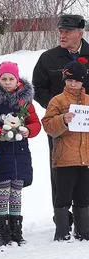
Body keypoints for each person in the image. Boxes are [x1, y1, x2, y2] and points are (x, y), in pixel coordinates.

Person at [32, 14, 89, 225]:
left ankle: (85, 218)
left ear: (80, 33)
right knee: (60, 170)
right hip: (60, 126)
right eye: (60, 31)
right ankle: (63, 217)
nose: (62, 35)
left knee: (86, 172)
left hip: (87, 128)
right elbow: (37, 88)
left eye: (67, 31)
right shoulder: (48, 58)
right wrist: (56, 107)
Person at [0, 62, 41, 246]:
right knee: (3, 189)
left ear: (17, 81)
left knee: (16, 190)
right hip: (1, 152)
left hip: (20, 153)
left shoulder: (25, 100)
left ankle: (16, 228)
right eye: (4, 79)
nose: (7, 82)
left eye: (11, 79)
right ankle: (4, 230)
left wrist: (27, 131)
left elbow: (35, 123)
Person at [41, 61, 89, 241]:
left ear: (83, 81)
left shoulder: (88, 100)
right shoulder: (57, 100)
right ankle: (62, 231)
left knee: (83, 197)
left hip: (85, 158)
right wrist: (63, 120)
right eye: (69, 80)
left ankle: (83, 231)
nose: (73, 84)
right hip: (64, 158)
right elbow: (47, 125)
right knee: (63, 197)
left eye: (77, 80)